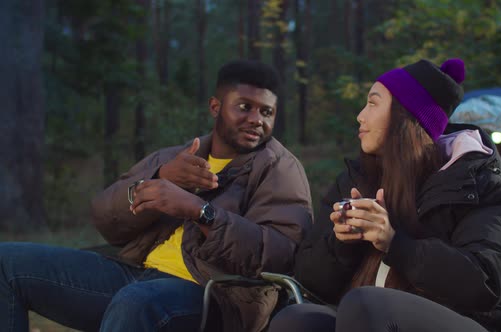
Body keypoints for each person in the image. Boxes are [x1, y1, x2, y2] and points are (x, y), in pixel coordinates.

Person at [0, 60, 313, 332]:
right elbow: (104, 218)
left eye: (267, 112)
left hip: (212, 295)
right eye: (244, 106)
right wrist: (159, 178)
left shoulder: (280, 169)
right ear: (215, 106)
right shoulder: (176, 156)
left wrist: (201, 212)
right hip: (132, 273)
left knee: (135, 302)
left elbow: (280, 253)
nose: (257, 119)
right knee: (7, 263)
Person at [268, 58, 501, 332]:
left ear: (406, 115)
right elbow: (311, 280)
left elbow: (484, 281)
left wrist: (395, 244)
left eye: (373, 102)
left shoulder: (477, 185)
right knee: (295, 321)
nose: (360, 116)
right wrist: (343, 243)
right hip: (368, 314)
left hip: (470, 322)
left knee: (365, 305)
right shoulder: (356, 181)